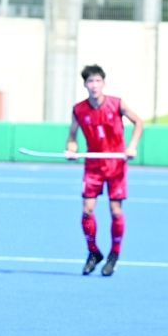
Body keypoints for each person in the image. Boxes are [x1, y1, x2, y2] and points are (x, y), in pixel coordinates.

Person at [65, 64, 143, 277]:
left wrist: (132, 146)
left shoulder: (116, 104)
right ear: (85, 84)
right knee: (87, 210)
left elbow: (139, 122)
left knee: (115, 211)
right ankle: (93, 252)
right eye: (90, 81)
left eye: (98, 80)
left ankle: (114, 255)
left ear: (104, 83)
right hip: (93, 166)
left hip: (116, 166)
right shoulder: (79, 110)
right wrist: (71, 149)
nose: (94, 85)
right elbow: (72, 136)